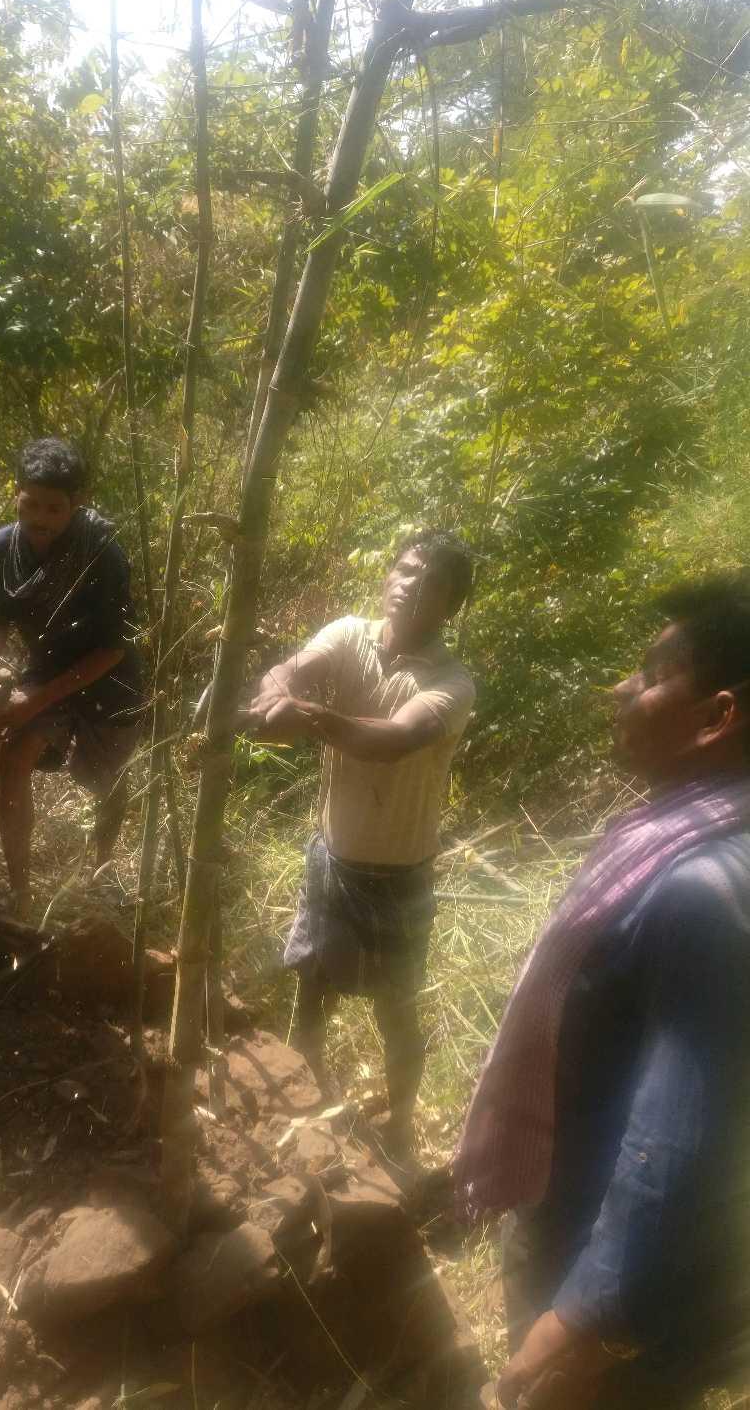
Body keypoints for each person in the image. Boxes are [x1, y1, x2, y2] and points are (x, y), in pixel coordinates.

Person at [455, 575, 750, 1410]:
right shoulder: (688, 840)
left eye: (652, 674)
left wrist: (584, 1320)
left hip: (611, 1270)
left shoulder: (702, 890)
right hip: (670, 1261)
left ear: (717, 716)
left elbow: (679, 1132)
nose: (622, 689)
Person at [244, 530, 476, 1161]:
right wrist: (274, 693)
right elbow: (290, 669)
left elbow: (392, 740)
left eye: (432, 584)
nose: (411, 587)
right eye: (405, 571)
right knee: (312, 985)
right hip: (332, 855)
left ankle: (399, 1128)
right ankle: (305, 1099)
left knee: (396, 1009)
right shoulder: (349, 634)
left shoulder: (453, 683)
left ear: (452, 606)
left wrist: (306, 716)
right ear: (388, 575)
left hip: (400, 873)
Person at [0, 438, 146, 919]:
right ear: (16, 493)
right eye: (30, 504)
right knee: (13, 760)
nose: (40, 519)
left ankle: (103, 870)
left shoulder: (103, 553)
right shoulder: (3, 547)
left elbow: (113, 648)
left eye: (54, 508)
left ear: (78, 503)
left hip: (111, 679)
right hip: (48, 667)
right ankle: (21, 892)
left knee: (108, 781)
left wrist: (33, 702)